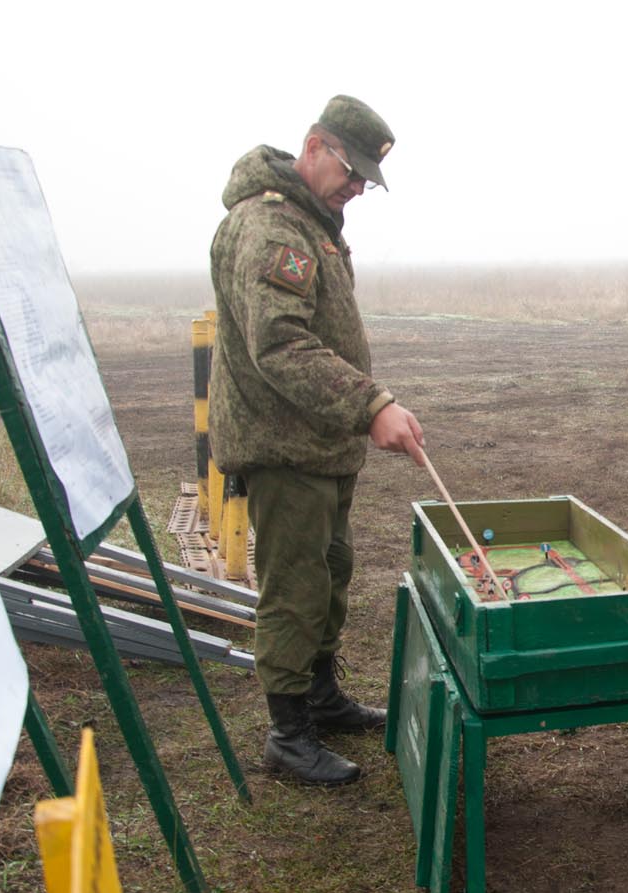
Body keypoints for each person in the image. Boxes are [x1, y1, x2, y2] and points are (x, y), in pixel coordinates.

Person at [209, 95, 426, 787]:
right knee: (295, 588)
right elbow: (279, 344)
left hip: (320, 443)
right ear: (313, 147)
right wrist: (371, 405)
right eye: (351, 170)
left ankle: (322, 698)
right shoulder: (272, 226)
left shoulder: (311, 221)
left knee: (329, 576)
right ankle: (288, 734)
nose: (358, 187)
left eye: (367, 179)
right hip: (286, 446)